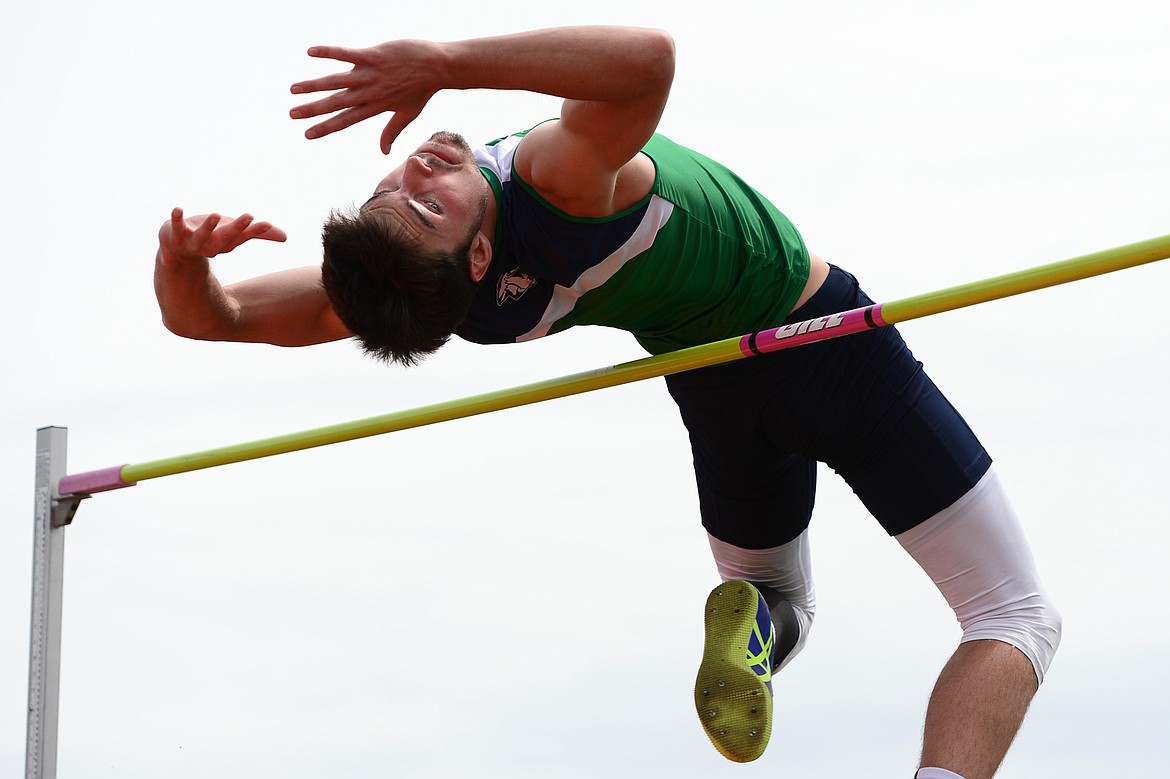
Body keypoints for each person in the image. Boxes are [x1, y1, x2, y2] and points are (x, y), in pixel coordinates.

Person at [153, 26, 1061, 778]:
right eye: (426, 205)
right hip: (823, 336)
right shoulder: (557, 179)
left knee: (773, 595)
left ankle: (754, 624)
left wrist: (182, 265)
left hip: (710, 377)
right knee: (1013, 614)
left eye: (390, 189)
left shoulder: (432, 293)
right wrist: (444, 66)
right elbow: (648, 62)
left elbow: (214, 319)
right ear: (474, 261)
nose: (412, 173)